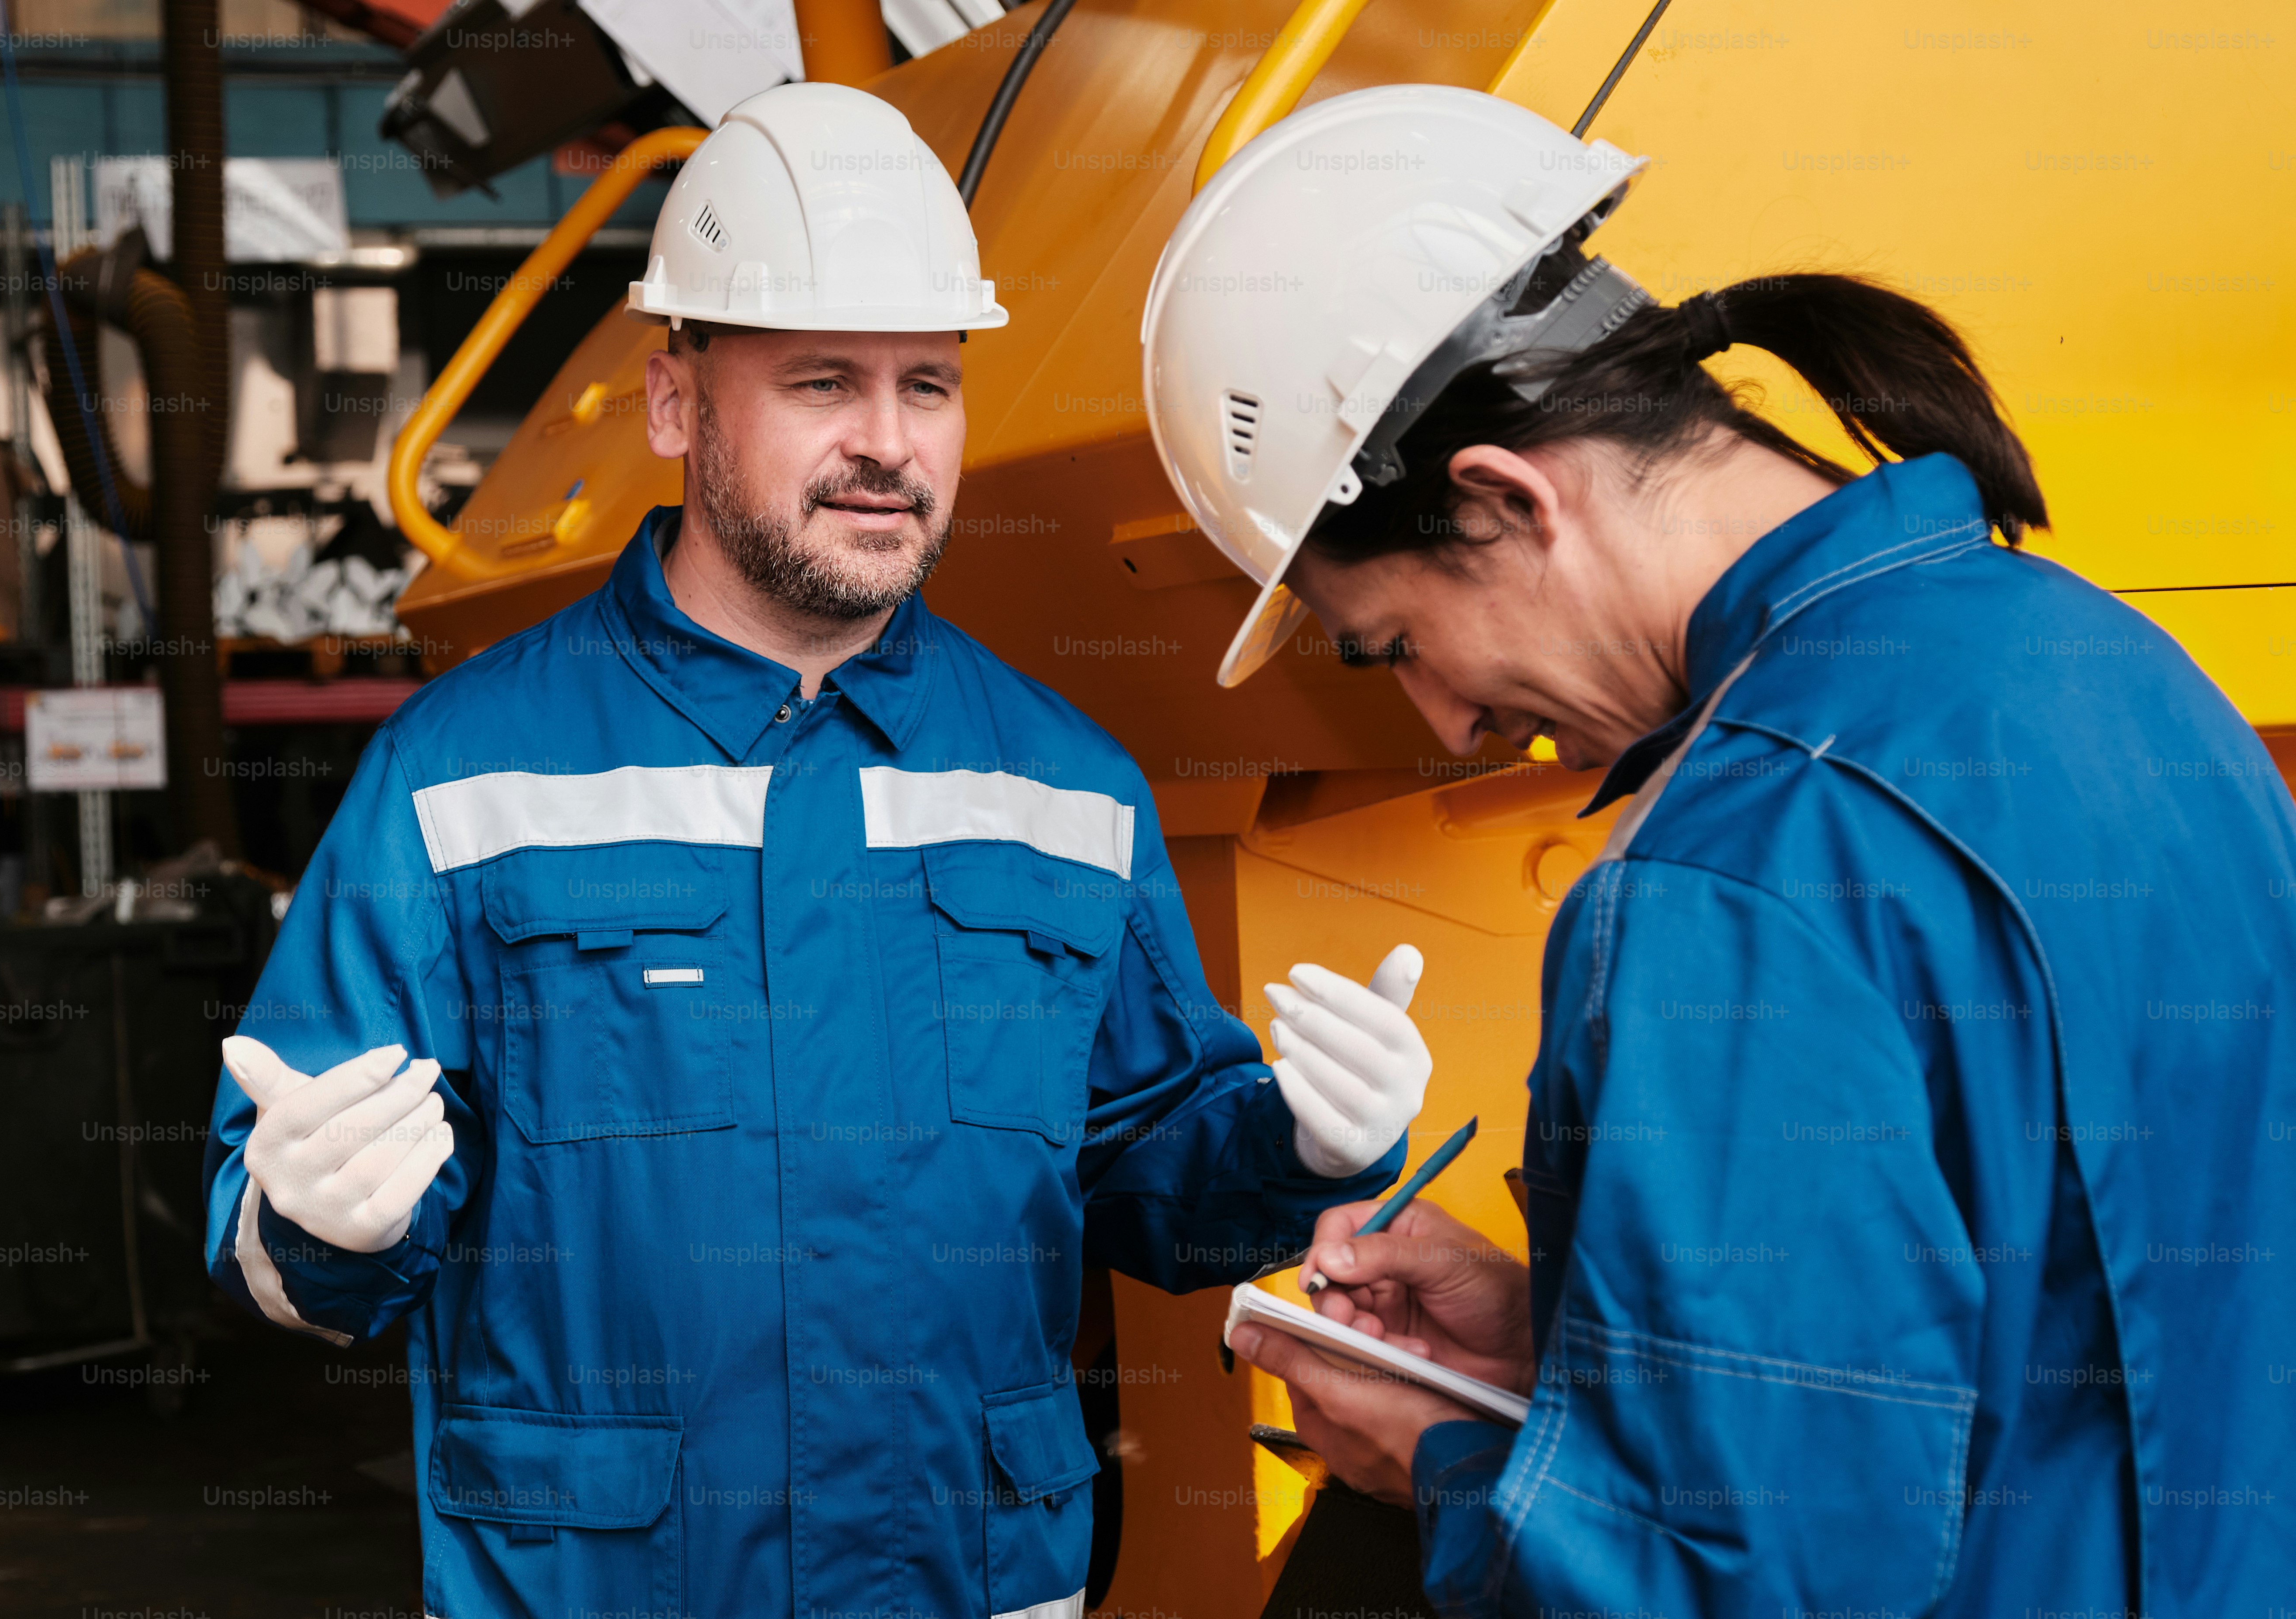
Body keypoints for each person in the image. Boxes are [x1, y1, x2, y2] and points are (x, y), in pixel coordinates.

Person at [201, 82, 1436, 1619]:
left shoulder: (1064, 784)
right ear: (675, 402)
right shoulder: (461, 774)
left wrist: (1301, 1150)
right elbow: (279, 1199)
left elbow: (1146, 1175)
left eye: (929, 383)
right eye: (821, 382)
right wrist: (311, 1224)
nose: (886, 445)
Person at [1144, 84, 2296, 1619]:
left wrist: (1430, 1459)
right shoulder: (2121, 667)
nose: (1448, 719)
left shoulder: (1726, 876)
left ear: (1503, 501)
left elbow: (1746, 1583)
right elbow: (2034, 1309)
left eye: (1397, 643)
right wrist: (1569, 1338)